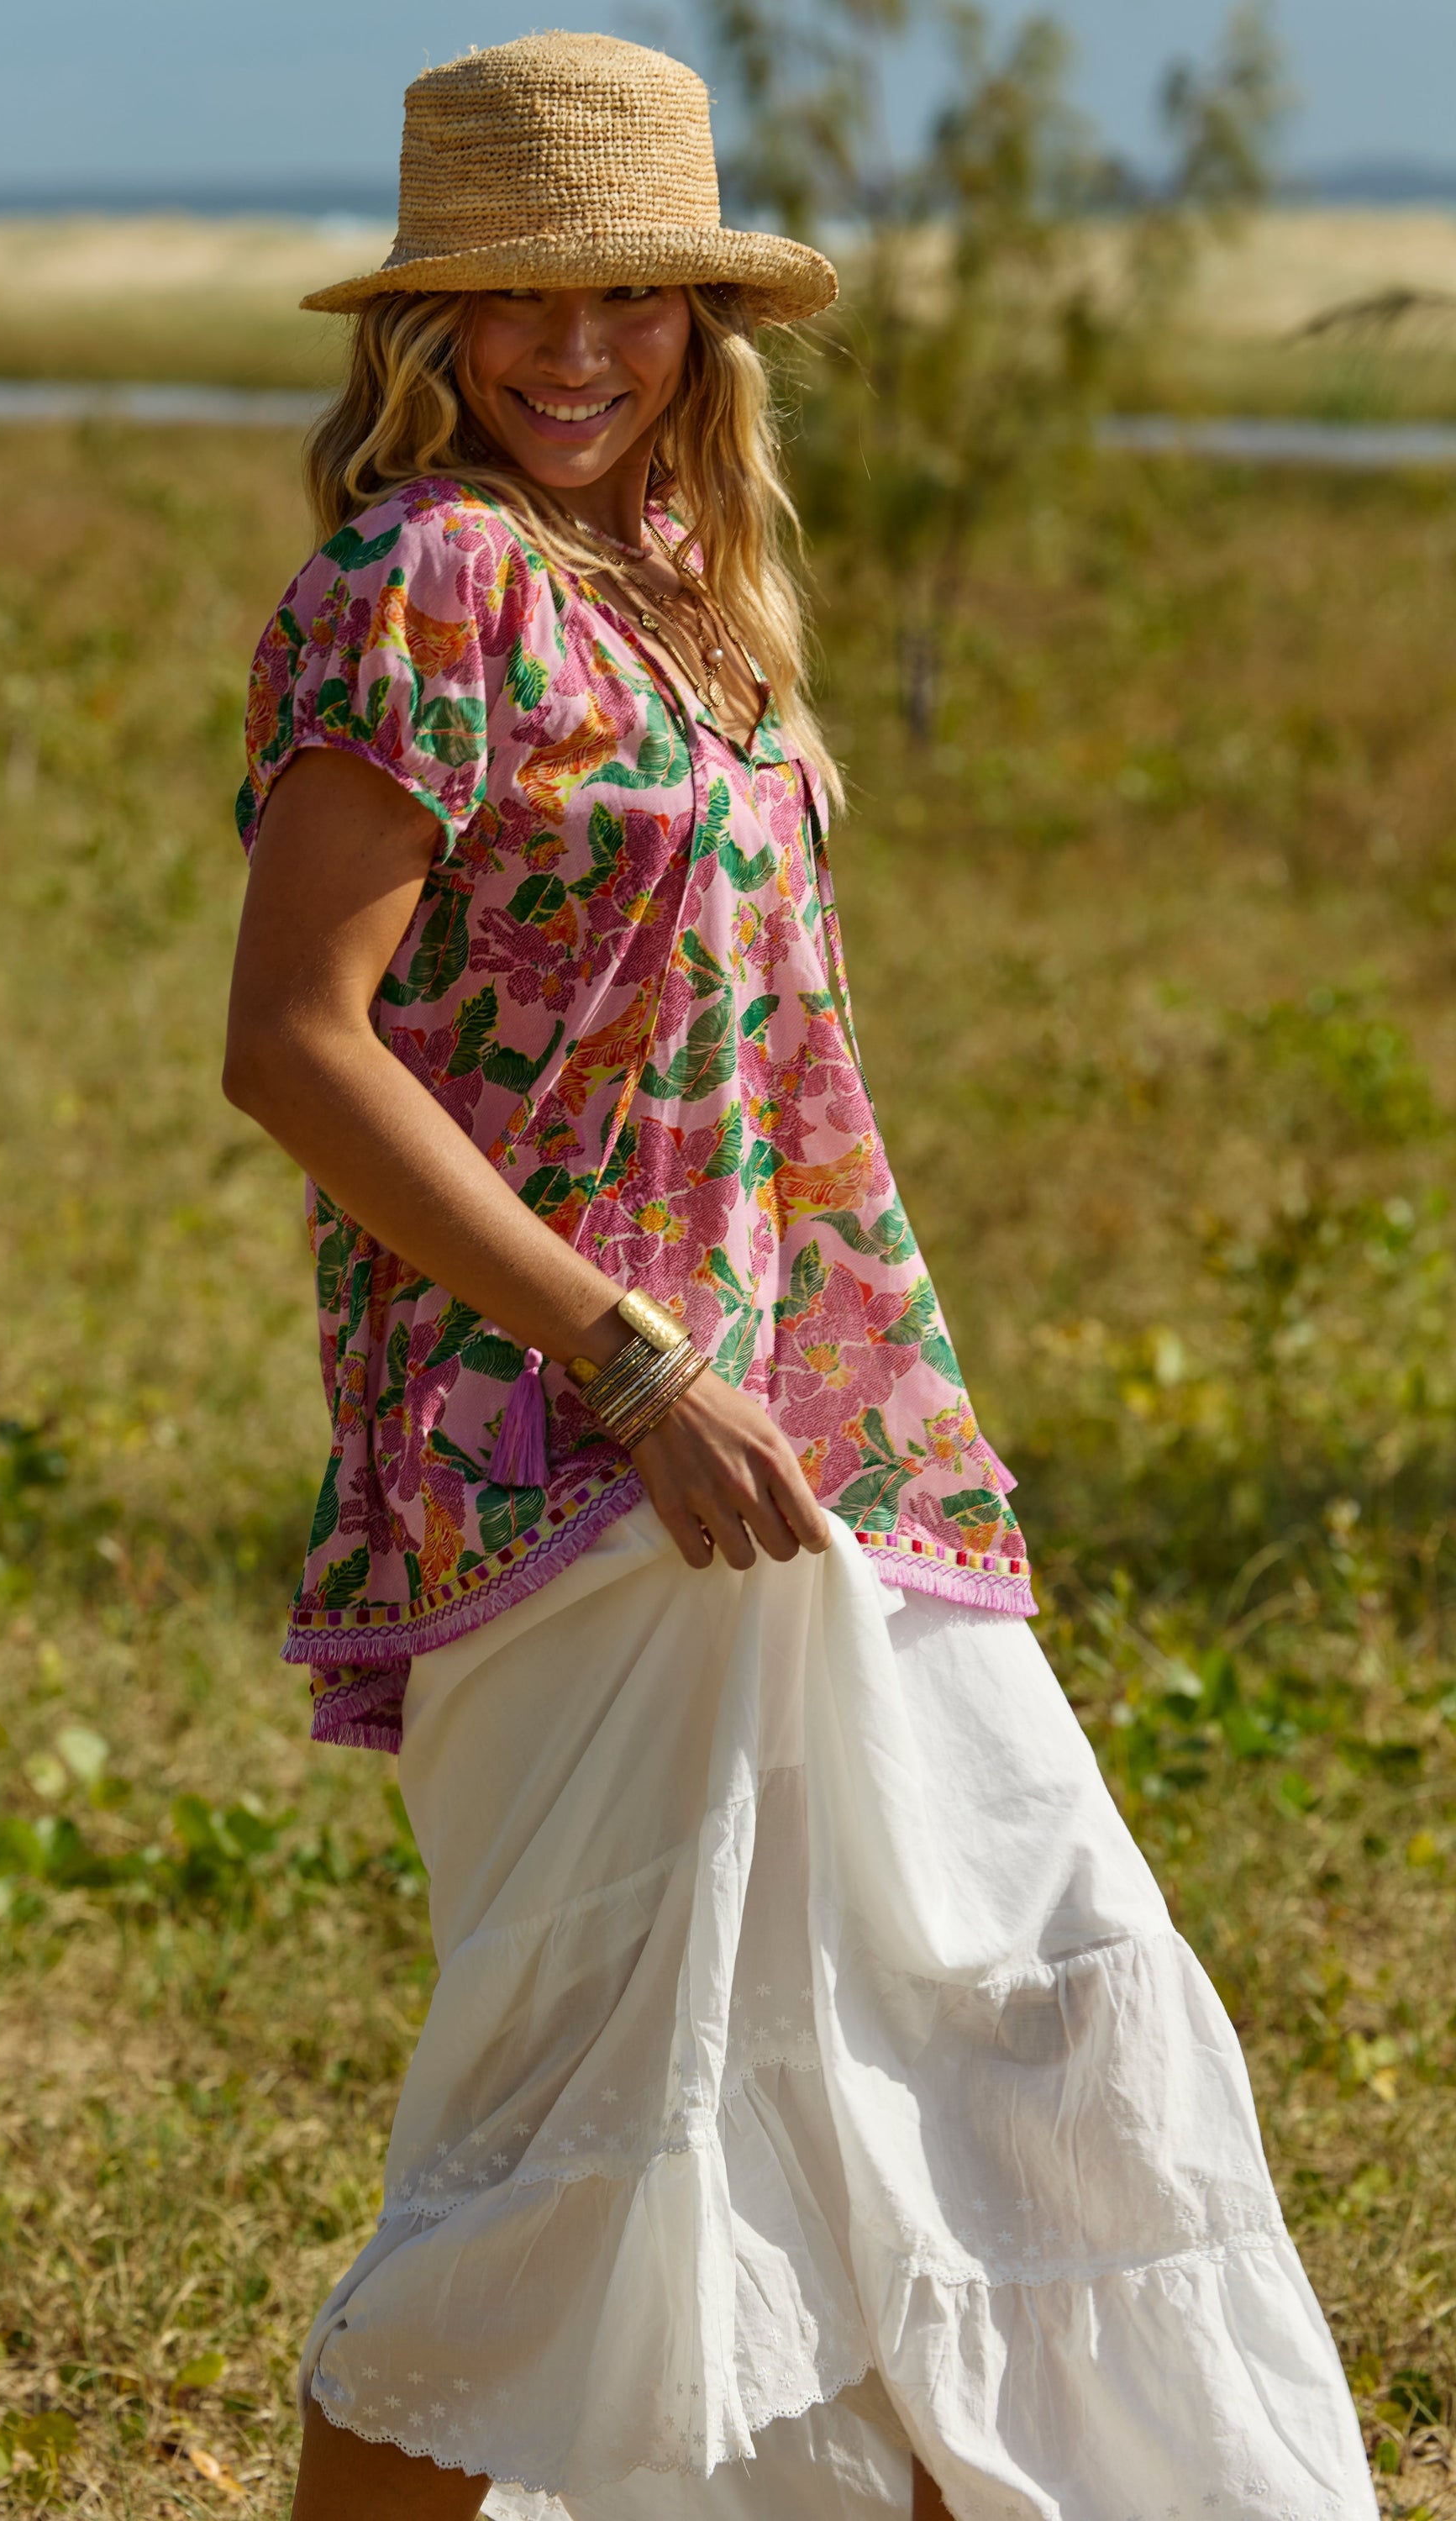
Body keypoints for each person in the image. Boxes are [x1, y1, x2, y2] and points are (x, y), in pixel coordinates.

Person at [223, 33, 1375, 2521]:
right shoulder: (416, 583)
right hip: (581, 1459)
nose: (580, 348)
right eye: (524, 302)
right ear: (426, 323)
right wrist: (635, 1364)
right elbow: (299, 1046)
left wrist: (789, 1381)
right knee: (601, 2153)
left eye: (635, 296)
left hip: (821, 1445)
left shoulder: (685, 593)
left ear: (701, 324)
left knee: (1030, 2030)